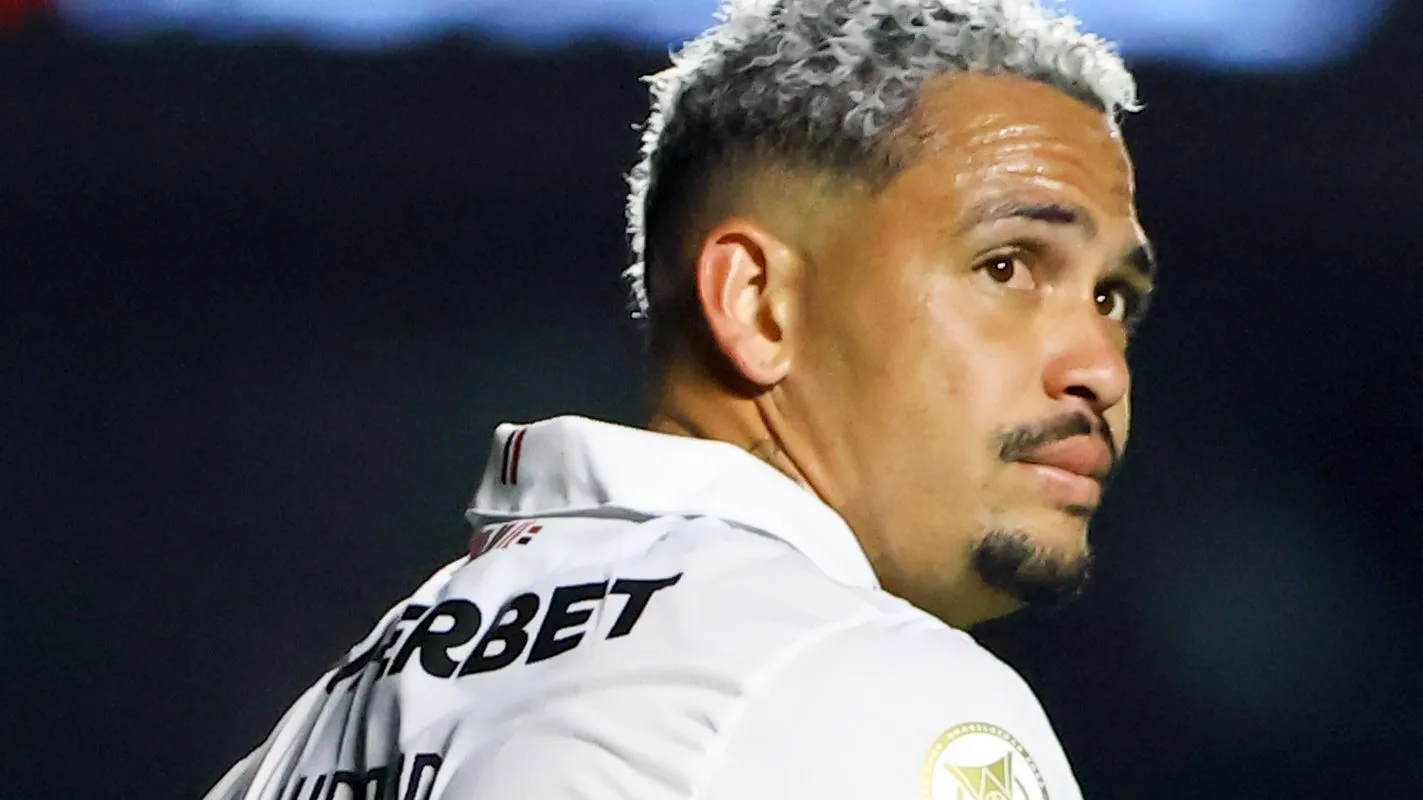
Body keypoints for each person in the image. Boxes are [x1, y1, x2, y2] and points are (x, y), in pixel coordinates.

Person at [204, 1, 1157, 798]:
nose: (1100, 370)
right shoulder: (875, 689)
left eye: (1113, 299)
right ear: (757, 303)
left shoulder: (309, 737)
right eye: (1006, 266)